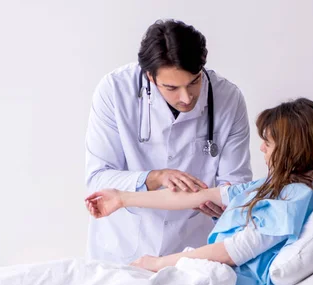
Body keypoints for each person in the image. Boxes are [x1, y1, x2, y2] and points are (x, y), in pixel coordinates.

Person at [85, 98, 313, 285]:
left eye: (267, 142)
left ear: (292, 148)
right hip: (222, 278)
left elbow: (235, 251)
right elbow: (198, 196)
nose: (261, 149)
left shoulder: (297, 196)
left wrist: (158, 263)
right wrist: (122, 198)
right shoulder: (268, 186)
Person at [85, 19, 252, 265]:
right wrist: (156, 177)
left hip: (192, 250)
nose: (186, 97)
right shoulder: (114, 91)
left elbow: (237, 189)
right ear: (149, 76)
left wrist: (223, 202)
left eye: (194, 82)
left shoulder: (228, 98)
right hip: (123, 248)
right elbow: (97, 181)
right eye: (172, 87)